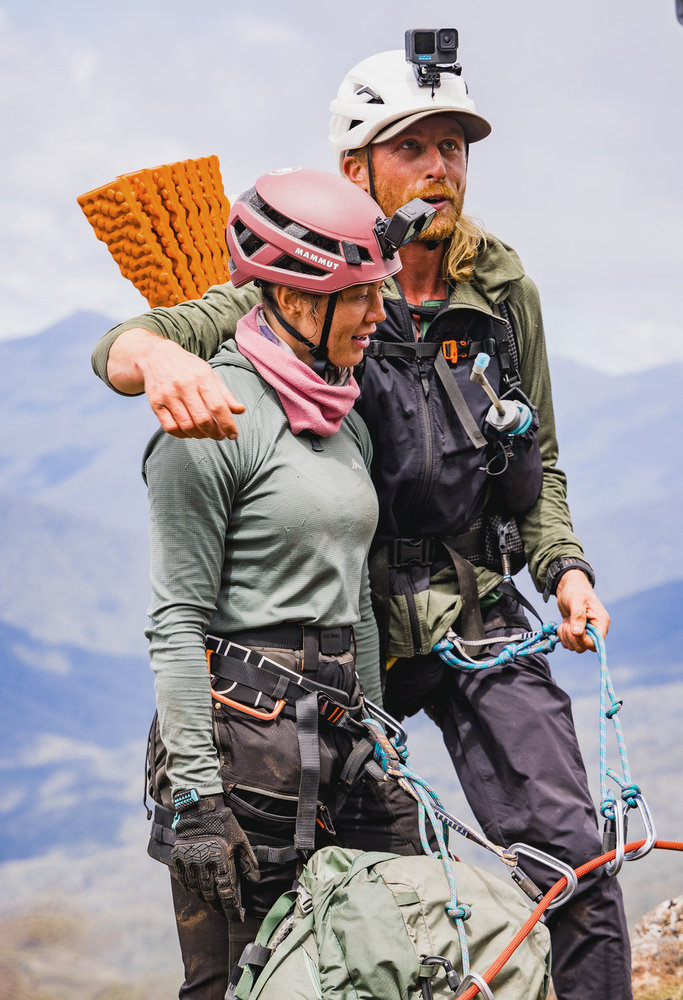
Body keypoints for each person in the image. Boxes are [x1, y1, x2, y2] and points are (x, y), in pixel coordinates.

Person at [92, 43, 631, 1000]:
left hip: (472, 604)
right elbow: (141, 345)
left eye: (455, 147)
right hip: (336, 635)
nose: (440, 168)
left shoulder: (501, 291)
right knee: (325, 922)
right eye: (414, 147)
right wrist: (153, 357)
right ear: (358, 168)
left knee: (570, 863)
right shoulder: (309, 272)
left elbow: (538, 457)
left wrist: (564, 568)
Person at [142, 167, 429, 999]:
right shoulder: (210, 420)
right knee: (240, 980)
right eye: (362, 295)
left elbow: (354, 605)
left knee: (377, 964)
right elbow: (176, 623)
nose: (381, 315)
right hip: (240, 752)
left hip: (339, 735)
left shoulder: (342, 423)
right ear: (299, 298)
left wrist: (382, 750)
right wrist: (196, 801)